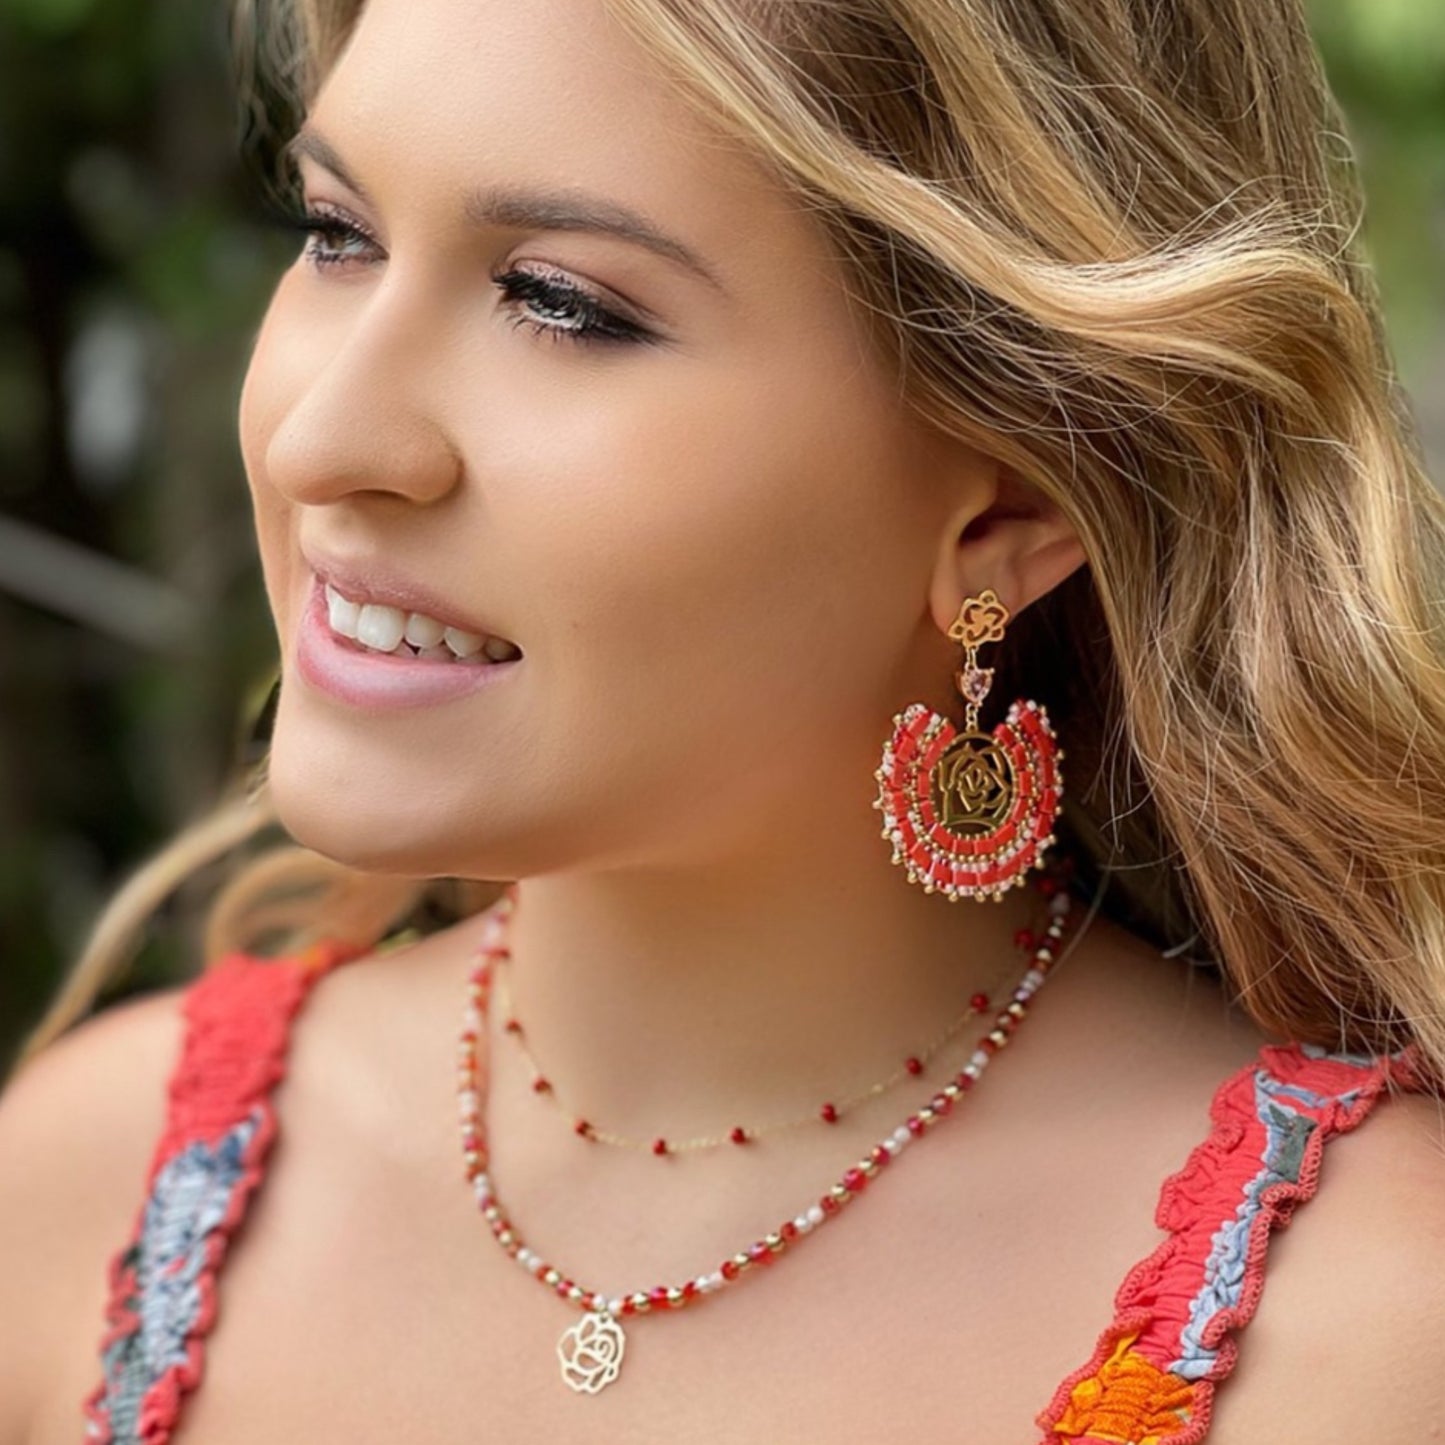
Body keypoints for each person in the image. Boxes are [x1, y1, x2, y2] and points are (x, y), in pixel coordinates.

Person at [3, 0, 1444, 1439]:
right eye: (337, 234)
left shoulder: (1364, 1333)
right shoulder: (87, 1198)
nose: (321, 439)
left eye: (560, 302)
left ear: (1010, 500)